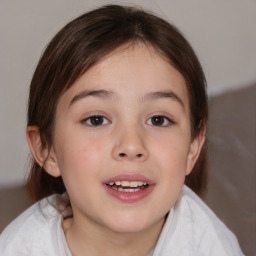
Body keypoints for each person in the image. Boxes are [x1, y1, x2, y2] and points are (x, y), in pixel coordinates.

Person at [0, 4, 244, 256]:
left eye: (158, 120)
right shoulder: (20, 247)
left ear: (193, 147)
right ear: (46, 149)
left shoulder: (211, 245)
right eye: (96, 120)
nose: (131, 145)